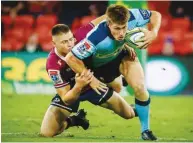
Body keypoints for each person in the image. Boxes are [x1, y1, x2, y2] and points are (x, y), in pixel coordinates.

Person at [65, 4, 161, 140]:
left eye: (124, 28)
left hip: (121, 56)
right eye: (117, 28)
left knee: (140, 87)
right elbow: (71, 58)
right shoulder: (95, 37)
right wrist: (91, 79)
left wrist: (154, 32)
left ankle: (145, 131)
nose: (121, 33)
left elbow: (155, 15)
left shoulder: (132, 16)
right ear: (108, 24)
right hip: (99, 67)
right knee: (118, 93)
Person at [40, 17, 137, 137]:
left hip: (95, 86)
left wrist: (123, 43)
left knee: (129, 114)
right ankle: (76, 120)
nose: (70, 44)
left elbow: (107, 18)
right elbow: (66, 98)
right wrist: (79, 86)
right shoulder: (53, 65)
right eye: (64, 42)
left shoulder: (82, 34)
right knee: (47, 133)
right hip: (72, 92)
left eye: (71, 39)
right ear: (54, 43)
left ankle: (128, 95)